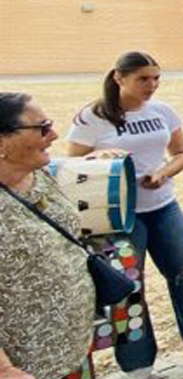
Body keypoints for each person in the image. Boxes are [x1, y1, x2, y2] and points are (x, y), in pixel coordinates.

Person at [66, 51, 183, 377]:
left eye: (156, 78)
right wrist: (101, 157)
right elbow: (71, 167)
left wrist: (163, 173)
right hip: (119, 217)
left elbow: (181, 153)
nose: (151, 85)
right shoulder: (92, 117)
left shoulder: (163, 111)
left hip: (164, 208)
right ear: (119, 77)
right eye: (143, 79)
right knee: (129, 289)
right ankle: (138, 365)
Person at [0, 92, 97, 379]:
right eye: (42, 128)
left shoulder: (39, 174)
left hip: (73, 345)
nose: (54, 135)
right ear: (2, 142)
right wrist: (4, 369)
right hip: (26, 366)